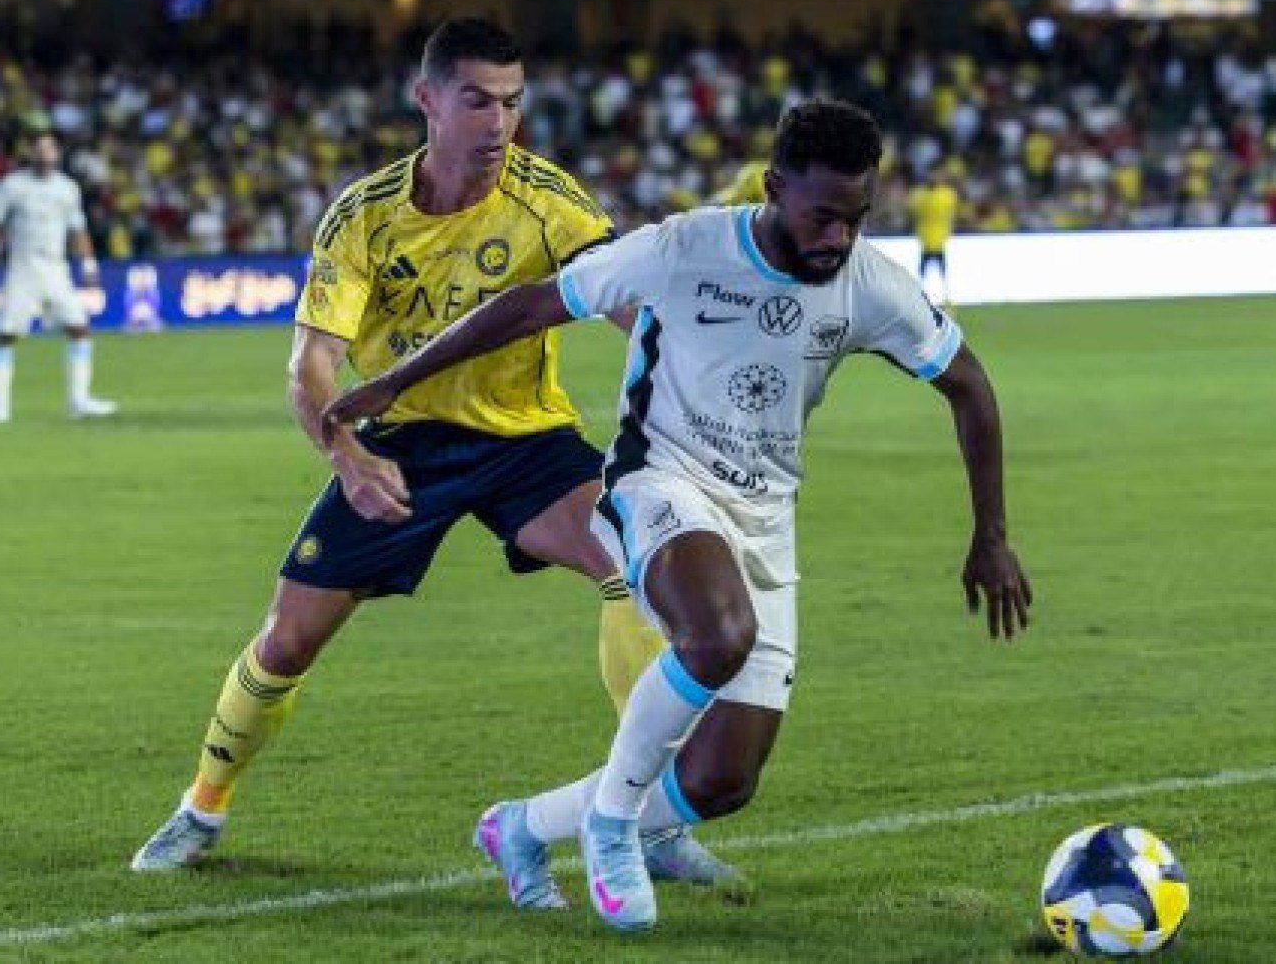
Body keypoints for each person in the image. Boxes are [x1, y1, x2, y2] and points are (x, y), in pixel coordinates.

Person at [326, 98, 1032, 932]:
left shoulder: (867, 284)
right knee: (717, 634)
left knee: (722, 778)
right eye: (822, 216)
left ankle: (522, 826)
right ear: (773, 187)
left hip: (765, 514)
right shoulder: (683, 249)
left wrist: (990, 533)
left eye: (856, 216)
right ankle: (611, 824)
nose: (838, 237)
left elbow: (970, 385)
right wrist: (398, 377)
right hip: (658, 478)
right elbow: (531, 304)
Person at [130, 17, 732, 889]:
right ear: (427, 100)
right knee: (286, 641)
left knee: (637, 568)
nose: (499, 122)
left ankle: (650, 820)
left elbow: (628, 307)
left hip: (526, 438)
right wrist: (346, 456)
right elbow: (313, 362)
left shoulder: (551, 201)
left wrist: (696, 371)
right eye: (478, 99)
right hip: (401, 441)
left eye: (514, 102)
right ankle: (201, 808)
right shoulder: (365, 216)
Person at [0, 131, 116, 424]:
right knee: (6, 334)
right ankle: (0, 406)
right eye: (39, 149)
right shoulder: (13, 185)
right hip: (23, 268)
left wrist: (89, 264)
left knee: (79, 328)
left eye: (49, 149)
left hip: (56, 268)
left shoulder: (68, 189)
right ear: (31, 153)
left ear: (57, 154)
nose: (44, 154)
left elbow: (78, 229)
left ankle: (78, 400)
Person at [908, 164, 961, 305]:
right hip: (926, 241)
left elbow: (952, 216)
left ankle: (945, 297)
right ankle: (921, 297)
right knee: (923, 272)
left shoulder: (947, 195)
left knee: (941, 272)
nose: (934, 178)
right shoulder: (921, 195)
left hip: (938, 241)